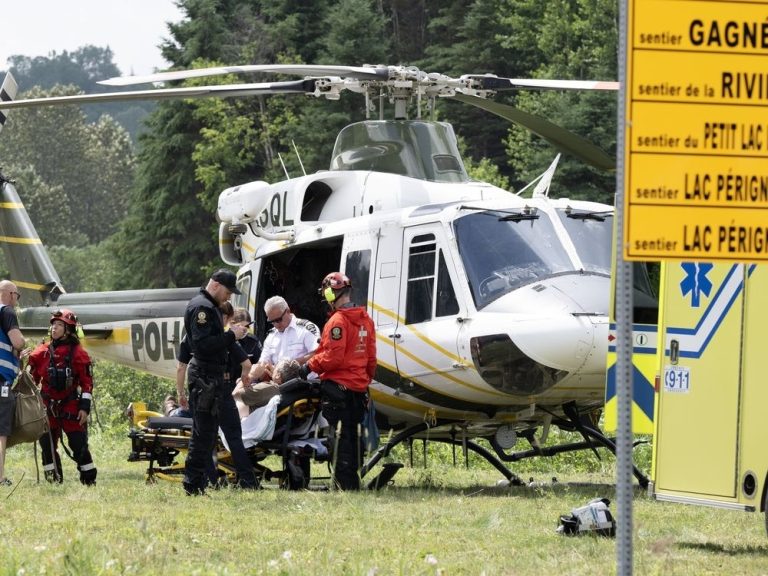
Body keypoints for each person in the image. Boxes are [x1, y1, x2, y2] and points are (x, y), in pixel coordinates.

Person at [182, 269, 253, 495]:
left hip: (209, 378)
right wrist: (231, 334)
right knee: (203, 434)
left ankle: (197, 483)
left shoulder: (208, 306)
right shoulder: (202, 308)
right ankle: (193, 483)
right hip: (204, 377)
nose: (229, 297)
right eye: (228, 291)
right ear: (216, 285)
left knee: (207, 432)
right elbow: (203, 345)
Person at [302, 272, 376, 490]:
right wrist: (364, 381)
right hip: (358, 389)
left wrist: (308, 366)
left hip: (338, 389)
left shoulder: (337, 321)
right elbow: (371, 357)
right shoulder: (366, 320)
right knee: (353, 435)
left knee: (340, 436)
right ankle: (351, 480)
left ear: (329, 292)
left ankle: (345, 484)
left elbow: (333, 358)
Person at [28, 308, 97, 485]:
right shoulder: (40, 353)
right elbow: (31, 381)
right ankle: (53, 482)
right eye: (53, 325)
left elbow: (87, 384)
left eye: (59, 325)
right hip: (46, 407)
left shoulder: (79, 354)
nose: (54, 328)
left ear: (68, 330)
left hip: (71, 407)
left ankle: (89, 481)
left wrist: (84, 408)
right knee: (47, 447)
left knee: (79, 445)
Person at [0, 280, 26, 486]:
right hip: (1, 380)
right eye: (17, 295)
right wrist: (21, 347)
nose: (16, 300)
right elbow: (18, 342)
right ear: (9, 294)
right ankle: (0, 478)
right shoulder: (6, 312)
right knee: (1, 432)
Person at [258, 296, 319, 375]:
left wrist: (290, 367)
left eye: (278, 320)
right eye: (272, 321)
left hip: (304, 382)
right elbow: (263, 362)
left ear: (288, 311)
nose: (276, 324)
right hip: (277, 383)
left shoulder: (305, 328)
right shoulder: (271, 336)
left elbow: (318, 354)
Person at [233, 358, 301, 418]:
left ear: (278, 375)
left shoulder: (266, 389)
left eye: (275, 367)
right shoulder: (285, 390)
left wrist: (251, 375)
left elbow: (234, 394)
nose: (273, 368)